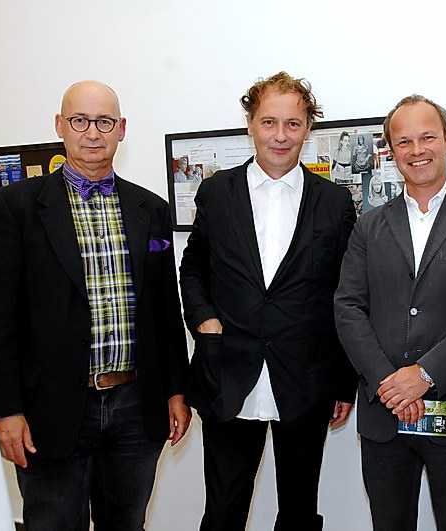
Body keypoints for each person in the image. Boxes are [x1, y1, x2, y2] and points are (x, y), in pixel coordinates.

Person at [0, 80, 190, 531]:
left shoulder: (150, 208)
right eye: (80, 121)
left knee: (126, 523)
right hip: (50, 408)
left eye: (104, 122)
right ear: (60, 125)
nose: (92, 133)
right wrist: (6, 409)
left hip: (136, 406)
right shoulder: (17, 207)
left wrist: (176, 390)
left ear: (122, 129)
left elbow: (165, 312)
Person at [180, 71, 357, 531]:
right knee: (223, 512)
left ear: (308, 129)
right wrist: (205, 321)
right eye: (269, 122)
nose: (281, 135)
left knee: (299, 511)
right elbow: (193, 267)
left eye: (293, 124)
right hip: (228, 375)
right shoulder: (216, 192)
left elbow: (346, 294)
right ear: (250, 125)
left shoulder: (335, 201)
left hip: (307, 380)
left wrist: (344, 383)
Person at [334, 94, 446, 531]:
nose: (417, 150)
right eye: (404, 141)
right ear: (391, 151)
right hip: (384, 416)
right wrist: (391, 384)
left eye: (427, 137)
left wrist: (424, 375)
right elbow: (348, 307)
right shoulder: (368, 226)